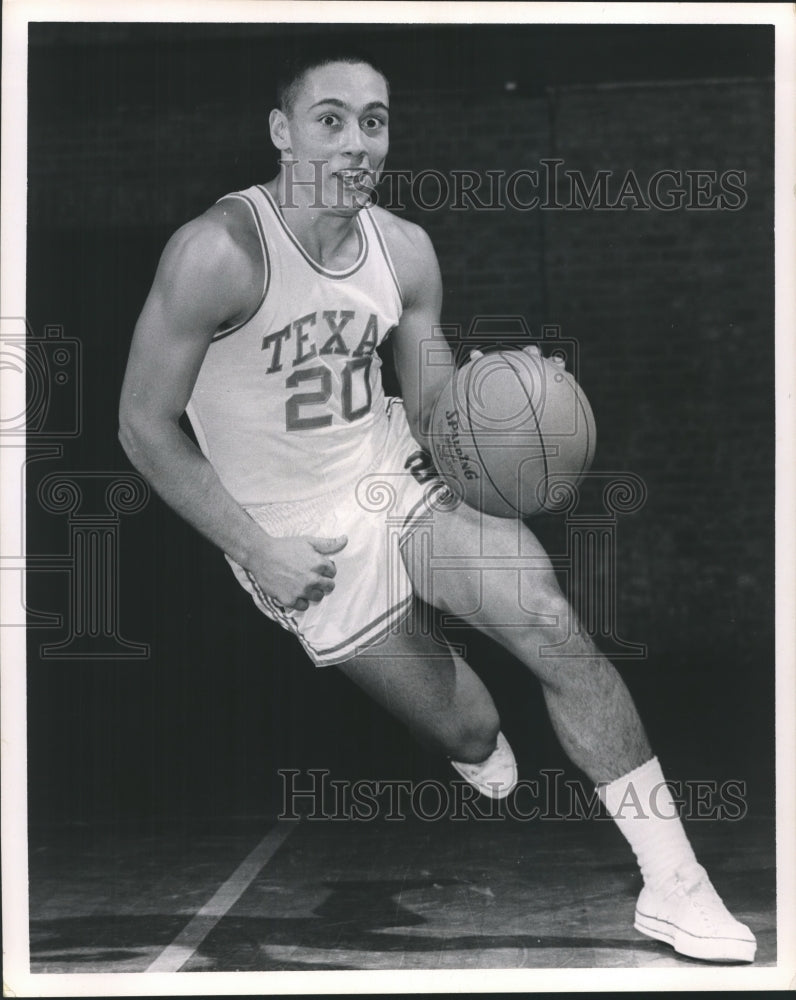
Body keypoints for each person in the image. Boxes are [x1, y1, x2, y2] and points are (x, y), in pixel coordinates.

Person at [119, 50, 756, 964]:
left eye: (374, 121)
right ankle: (464, 734)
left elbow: (430, 410)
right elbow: (142, 426)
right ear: (281, 130)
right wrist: (255, 550)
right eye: (330, 118)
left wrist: (506, 407)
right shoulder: (217, 253)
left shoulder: (405, 250)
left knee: (545, 617)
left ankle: (676, 886)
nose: (357, 142)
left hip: (386, 466)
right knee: (471, 724)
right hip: (292, 529)